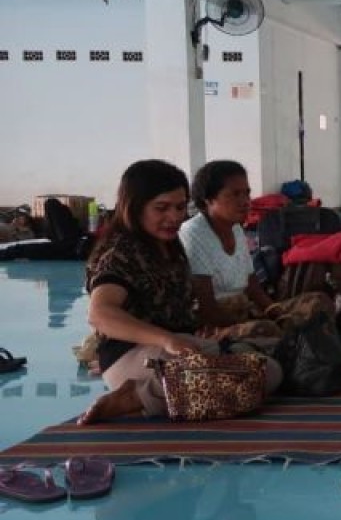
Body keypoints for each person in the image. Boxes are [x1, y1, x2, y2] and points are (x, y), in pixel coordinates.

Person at [77, 159, 282, 425]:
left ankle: (156, 391)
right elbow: (100, 314)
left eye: (179, 207)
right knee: (222, 379)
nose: (174, 217)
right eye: (161, 208)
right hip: (133, 354)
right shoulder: (120, 254)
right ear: (135, 207)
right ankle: (135, 396)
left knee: (270, 370)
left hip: (176, 347)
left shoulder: (169, 247)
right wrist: (166, 340)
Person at [179, 160, 332, 334]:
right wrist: (263, 323)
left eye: (247, 193)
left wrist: (277, 314)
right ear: (208, 199)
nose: (245, 201)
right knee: (266, 330)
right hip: (213, 324)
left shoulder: (235, 228)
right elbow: (207, 309)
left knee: (318, 302)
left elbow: (253, 287)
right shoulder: (193, 233)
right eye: (235, 194)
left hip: (245, 309)